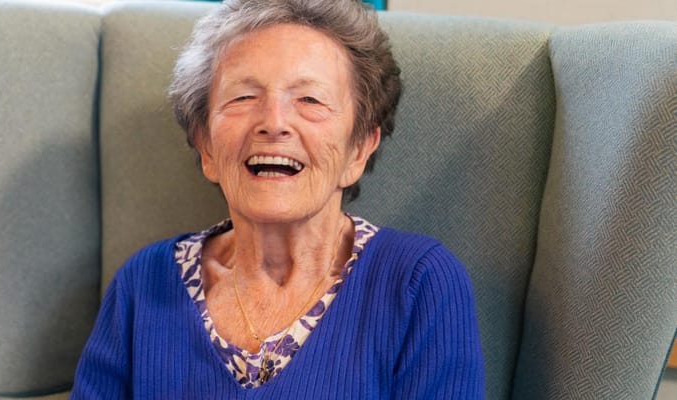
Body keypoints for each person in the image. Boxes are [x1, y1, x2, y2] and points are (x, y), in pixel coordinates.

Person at [70, 0, 484, 398]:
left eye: (310, 99)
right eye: (243, 97)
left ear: (359, 149)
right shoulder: (144, 283)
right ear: (206, 147)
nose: (274, 123)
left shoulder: (418, 283)